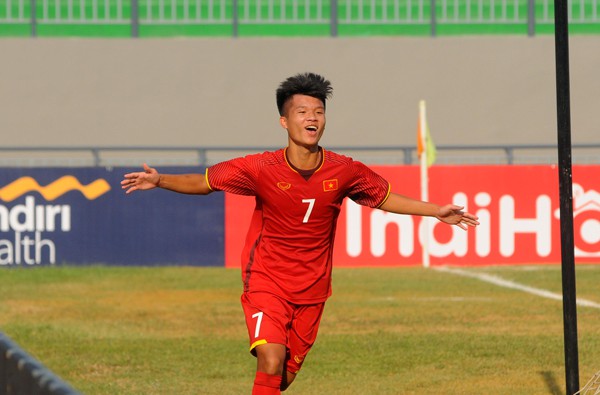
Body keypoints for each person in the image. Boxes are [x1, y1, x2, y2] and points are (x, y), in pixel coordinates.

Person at [121, 72, 479, 394]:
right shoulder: (258, 167)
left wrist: (436, 211)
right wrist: (160, 180)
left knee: (283, 377)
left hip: (313, 289)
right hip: (266, 281)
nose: (312, 118)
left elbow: (383, 197)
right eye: (303, 111)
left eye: (318, 112)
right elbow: (204, 181)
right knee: (271, 361)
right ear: (284, 120)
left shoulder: (345, 170)